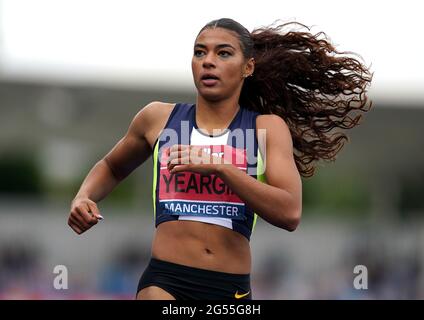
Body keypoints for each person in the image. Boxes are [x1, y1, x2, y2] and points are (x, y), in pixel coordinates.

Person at [68, 18, 372, 300]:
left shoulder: (265, 128)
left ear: (247, 67)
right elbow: (111, 166)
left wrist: (220, 166)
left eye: (223, 53)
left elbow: (290, 213)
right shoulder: (158, 118)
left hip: (231, 289)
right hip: (165, 280)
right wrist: (84, 196)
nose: (208, 61)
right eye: (200, 53)